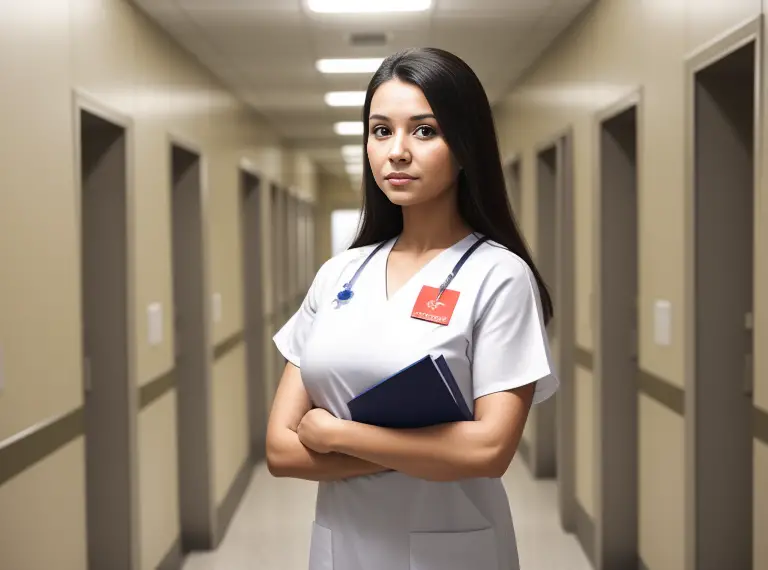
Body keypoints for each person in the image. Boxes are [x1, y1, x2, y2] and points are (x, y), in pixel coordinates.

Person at [266, 47, 558, 570]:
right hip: (343, 546)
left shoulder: (499, 275)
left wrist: (338, 436)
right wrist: (426, 453)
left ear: (465, 146)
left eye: (424, 130)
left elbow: (489, 452)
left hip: (453, 551)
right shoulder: (338, 274)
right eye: (381, 131)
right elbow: (282, 451)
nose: (396, 151)